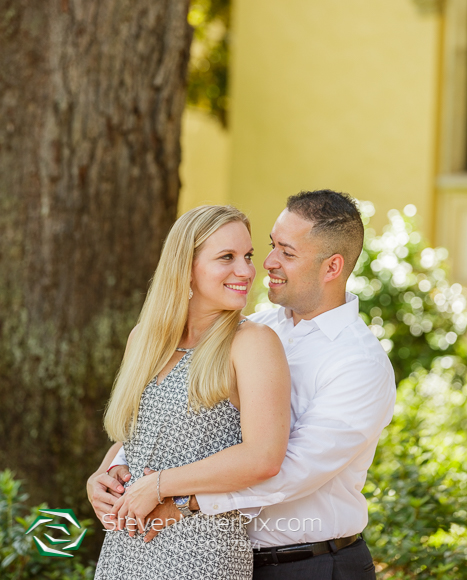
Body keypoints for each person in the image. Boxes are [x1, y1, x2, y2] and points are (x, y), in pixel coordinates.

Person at [89, 190, 396, 580]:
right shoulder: (256, 326)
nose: (264, 265)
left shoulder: (357, 363)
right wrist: (107, 475)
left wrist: (181, 499)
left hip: (311, 564)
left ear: (331, 267)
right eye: (268, 248)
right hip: (228, 553)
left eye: (286, 252)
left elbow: (287, 467)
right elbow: (172, 422)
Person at [91, 204, 291, 580]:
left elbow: (264, 457)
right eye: (226, 257)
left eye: (247, 256)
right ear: (186, 267)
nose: (246, 270)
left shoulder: (252, 342)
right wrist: (100, 478)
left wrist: (161, 485)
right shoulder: (144, 340)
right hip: (124, 548)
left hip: (201, 552)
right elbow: (138, 436)